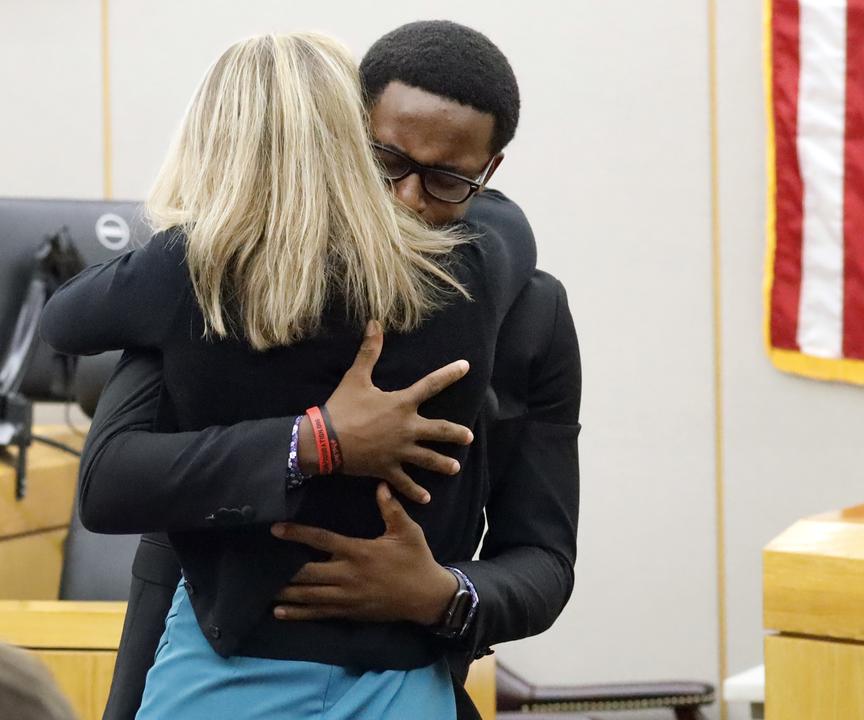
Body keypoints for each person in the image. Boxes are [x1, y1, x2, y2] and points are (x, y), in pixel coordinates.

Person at [84, 21, 581, 720]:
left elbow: (544, 560)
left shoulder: (529, 312)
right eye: (386, 163)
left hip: (404, 675)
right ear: (343, 136)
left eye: (446, 179)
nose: (408, 200)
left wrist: (438, 593)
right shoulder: (233, 278)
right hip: (217, 657)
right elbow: (120, 489)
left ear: (489, 172)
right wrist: (313, 440)